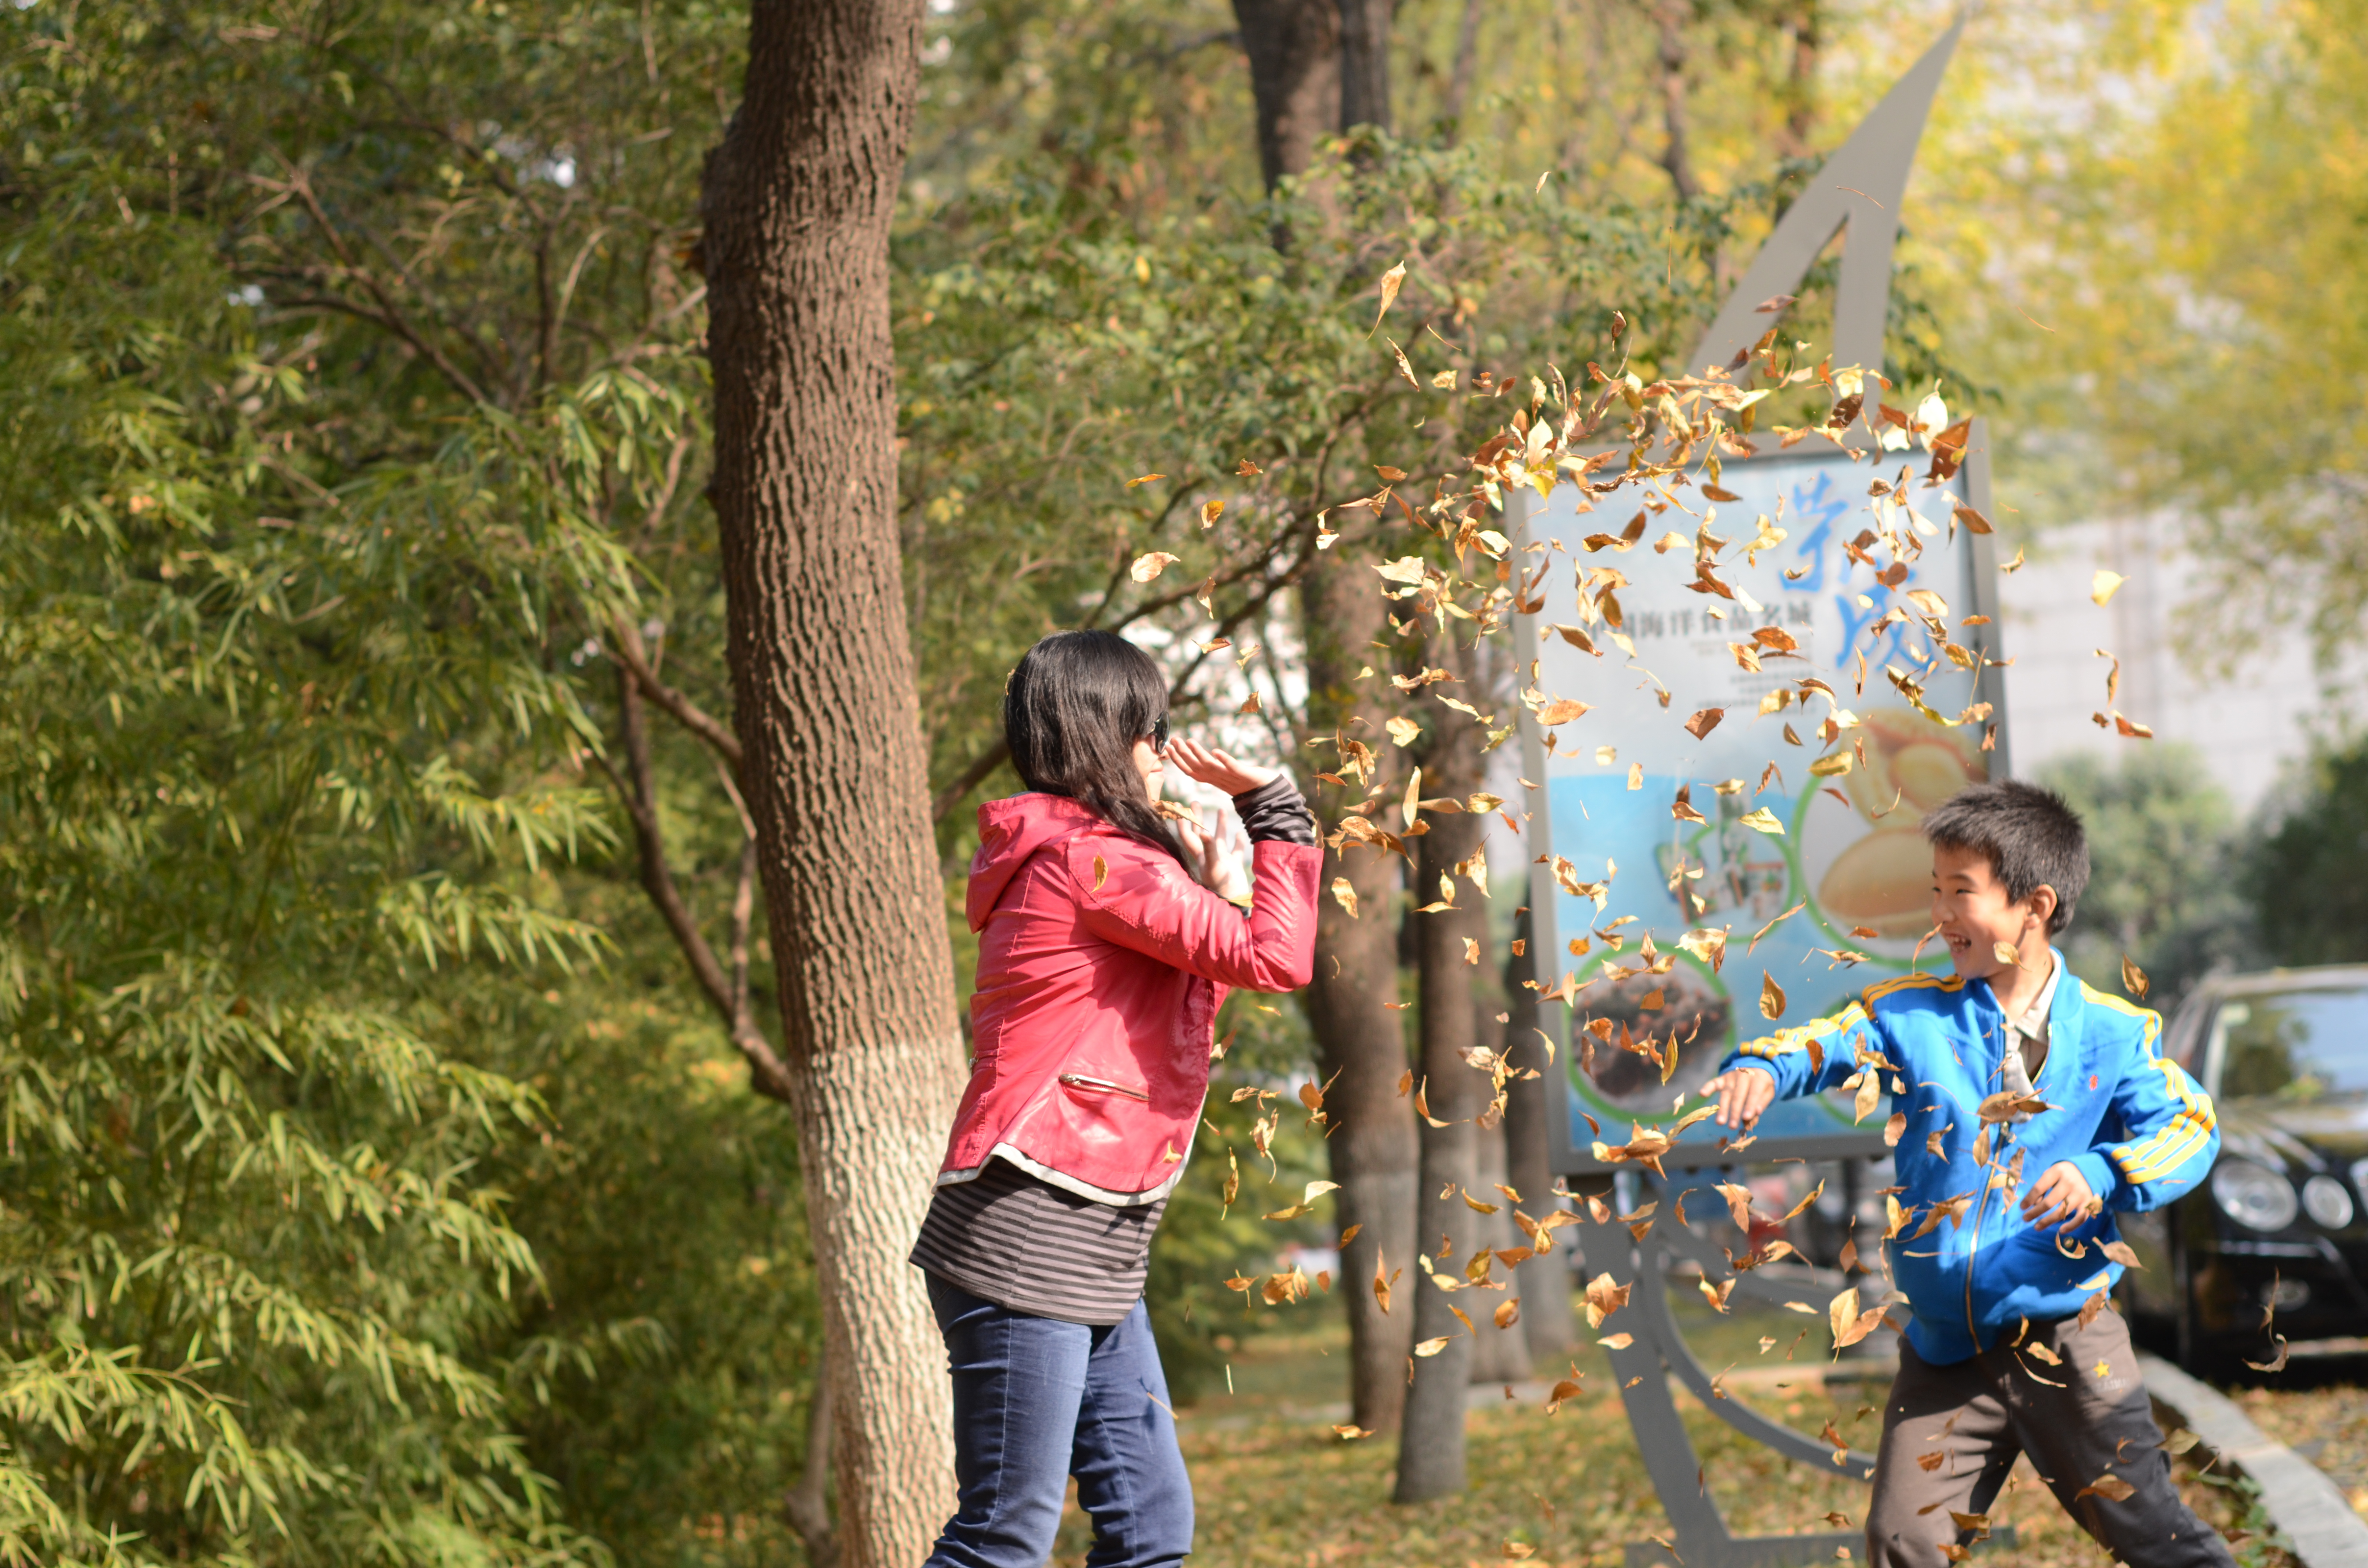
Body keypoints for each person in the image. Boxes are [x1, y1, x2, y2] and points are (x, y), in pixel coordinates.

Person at [1701, 779, 2235, 1568]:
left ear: (2036, 906)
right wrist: (1762, 1069)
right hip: (1946, 1352)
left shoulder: (2117, 1035)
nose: (1941, 917)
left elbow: (2191, 1127)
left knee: (2154, 1534)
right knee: (1903, 1542)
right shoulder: (1909, 1016)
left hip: (2069, 1345)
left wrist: (2105, 1171)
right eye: (1935, 892)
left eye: (1963, 893)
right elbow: (1825, 1042)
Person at [909, 630, 1320, 1568]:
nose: (1158, 752)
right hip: (1030, 1218)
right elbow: (1278, 957)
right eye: (1149, 729)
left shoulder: (1101, 862)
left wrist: (1218, 890)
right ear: (1105, 733)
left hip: (1095, 1227)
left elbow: (1164, 1020)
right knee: (1002, 1541)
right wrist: (1273, 809)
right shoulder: (1090, 860)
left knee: (1147, 1528)